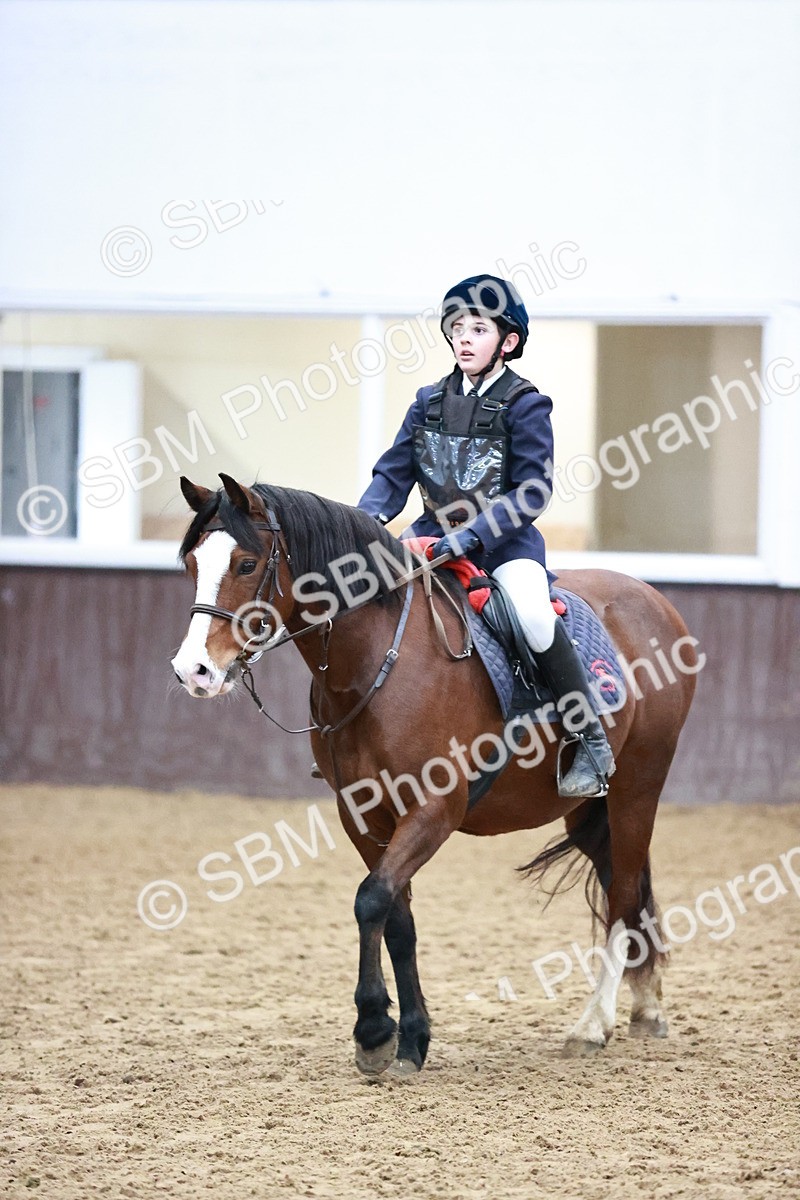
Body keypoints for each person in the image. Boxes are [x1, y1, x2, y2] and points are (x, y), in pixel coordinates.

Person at [357, 274, 615, 798]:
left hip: (503, 547)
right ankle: (357, 737)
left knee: (536, 617)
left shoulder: (526, 405)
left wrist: (472, 536)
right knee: (362, 602)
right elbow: (392, 477)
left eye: (479, 328)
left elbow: (532, 492)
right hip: (429, 538)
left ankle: (588, 739)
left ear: (508, 342)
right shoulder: (426, 402)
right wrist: (362, 524)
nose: (465, 338)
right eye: (457, 328)